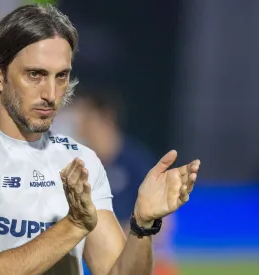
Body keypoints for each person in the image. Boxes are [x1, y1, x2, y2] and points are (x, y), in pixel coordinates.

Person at [0, 4, 201, 275]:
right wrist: (73, 226)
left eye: (61, 76)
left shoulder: (80, 159)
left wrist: (142, 224)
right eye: (35, 74)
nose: (51, 93)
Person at [72, 90, 180, 275]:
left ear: (105, 117)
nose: (79, 124)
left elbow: (166, 222)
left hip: (144, 261)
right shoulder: (80, 165)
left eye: (86, 117)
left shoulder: (136, 162)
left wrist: (121, 234)